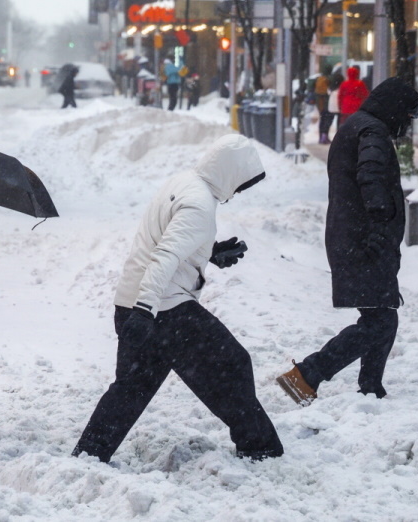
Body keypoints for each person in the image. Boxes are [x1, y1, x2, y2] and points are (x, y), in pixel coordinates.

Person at [72, 134, 283, 463]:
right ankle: (260, 446)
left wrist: (209, 253)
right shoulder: (200, 205)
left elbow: (167, 238)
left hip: (132, 303)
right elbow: (165, 256)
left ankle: (89, 453)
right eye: (242, 183)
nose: (239, 190)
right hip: (163, 311)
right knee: (233, 363)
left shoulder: (185, 182)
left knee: (132, 387)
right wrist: (145, 312)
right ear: (230, 174)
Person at [276, 77, 418, 405]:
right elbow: (370, 177)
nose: (408, 125)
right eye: (409, 117)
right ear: (395, 109)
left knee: (382, 315)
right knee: (380, 319)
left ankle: (370, 387)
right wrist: (380, 222)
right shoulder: (371, 132)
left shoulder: (359, 125)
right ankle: (307, 375)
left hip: (355, 237)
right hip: (363, 240)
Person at [314, 72, 333, 145]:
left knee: (322, 119)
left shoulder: (319, 79)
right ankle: (325, 136)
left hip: (319, 102)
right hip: (326, 102)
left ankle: (321, 137)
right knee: (327, 119)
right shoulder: (328, 79)